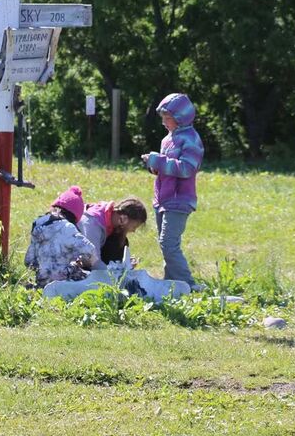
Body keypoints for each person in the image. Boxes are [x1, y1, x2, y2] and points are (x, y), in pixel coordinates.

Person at [141, 92, 204, 290]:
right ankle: (172, 284)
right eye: (163, 119)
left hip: (179, 199)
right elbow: (165, 168)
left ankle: (188, 284)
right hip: (163, 199)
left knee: (169, 243)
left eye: (168, 119)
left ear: (180, 118)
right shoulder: (167, 139)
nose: (165, 123)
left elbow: (186, 168)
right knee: (164, 244)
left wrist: (158, 161)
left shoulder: (191, 139)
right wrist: (153, 165)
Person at [24, 185, 97, 287]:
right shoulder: (68, 228)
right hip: (64, 282)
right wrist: (85, 263)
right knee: (94, 280)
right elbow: (91, 251)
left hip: (42, 283)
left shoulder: (38, 224)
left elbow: (29, 261)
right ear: (75, 215)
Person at [78, 197, 147, 269]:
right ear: (124, 219)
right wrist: (112, 275)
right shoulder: (93, 225)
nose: (133, 231)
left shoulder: (110, 216)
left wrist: (125, 264)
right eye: (134, 226)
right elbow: (93, 261)